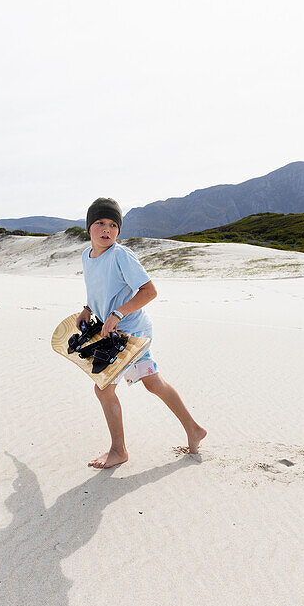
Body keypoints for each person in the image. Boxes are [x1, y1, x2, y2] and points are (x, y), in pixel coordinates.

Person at [77, 197, 207, 468]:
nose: (107, 229)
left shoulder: (120, 255)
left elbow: (149, 291)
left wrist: (117, 314)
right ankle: (194, 429)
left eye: (113, 224)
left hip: (130, 332)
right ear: (89, 227)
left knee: (103, 389)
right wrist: (87, 308)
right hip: (117, 330)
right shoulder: (87, 256)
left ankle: (118, 450)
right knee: (153, 383)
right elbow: (99, 288)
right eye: (100, 222)